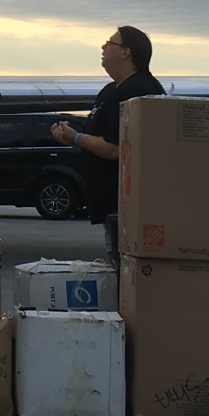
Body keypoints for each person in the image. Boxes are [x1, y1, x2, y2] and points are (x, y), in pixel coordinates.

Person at [51, 26, 164, 250]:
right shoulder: (111, 90)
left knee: (126, 267)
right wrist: (71, 138)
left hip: (126, 205)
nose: (103, 47)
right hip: (109, 204)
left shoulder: (139, 90)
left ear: (126, 52)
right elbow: (96, 141)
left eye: (110, 43)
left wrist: (76, 138)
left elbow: (115, 149)